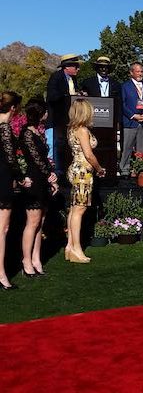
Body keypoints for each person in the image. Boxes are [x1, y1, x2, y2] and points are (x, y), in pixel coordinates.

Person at [19, 99, 58, 277]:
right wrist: (49, 174)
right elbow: (35, 159)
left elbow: (44, 158)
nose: (47, 114)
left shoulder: (38, 132)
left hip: (43, 180)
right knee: (32, 222)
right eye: (45, 111)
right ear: (39, 113)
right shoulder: (26, 133)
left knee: (40, 222)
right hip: (34, 180)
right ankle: (26, 260)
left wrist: (51, 175)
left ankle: (36, 258)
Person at [67, 99, 106, 263]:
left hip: (76, 169)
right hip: (82, 172)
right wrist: (99, 169)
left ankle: (70, 246)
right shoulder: (82, 130)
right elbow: (89, 155)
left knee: (74, 209)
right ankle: (76, 248)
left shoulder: (72, 129)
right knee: (79, 210)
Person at [0, 91, 28, 289]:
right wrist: (21, 178)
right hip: (2, 180)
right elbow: (11, 159)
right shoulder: (5, 128)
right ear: (13, 108)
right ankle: (1, 275)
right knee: (2, 229)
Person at [46, 54, 85, 175]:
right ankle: (55, 171)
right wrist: (68, 96)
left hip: (69, 119)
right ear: (67, 67)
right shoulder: (56, 77)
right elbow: (52, 96)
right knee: (56, 146)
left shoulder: (73, 79)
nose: (78, 69)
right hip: (58, 120)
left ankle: (65, 171)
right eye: (76, 66)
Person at [119, 62, 143, 177]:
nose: (140, 73)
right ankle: (124, 170)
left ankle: (140, 170)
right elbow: (122, 104)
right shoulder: (125, 86)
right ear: (131, 73)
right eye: (138, 71)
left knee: (142, 149)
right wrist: (133, 115)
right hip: (130, 122)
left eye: (142, 71)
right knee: (127, 148)